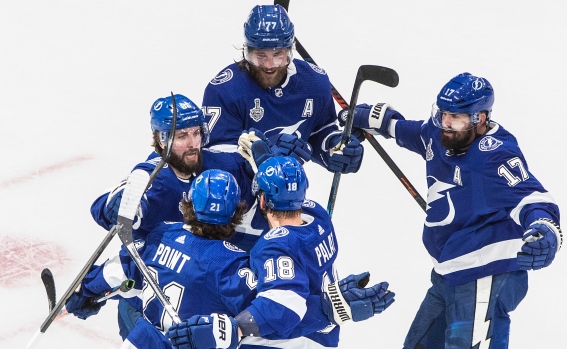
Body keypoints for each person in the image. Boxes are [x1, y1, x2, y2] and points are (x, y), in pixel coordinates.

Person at [345, 72, 563, 348]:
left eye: (456, 118)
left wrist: (545, 230)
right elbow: (412, 133)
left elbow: (532, 199)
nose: (446, 123)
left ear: (480, 118)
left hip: (485, 274)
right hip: (450, 272)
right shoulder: (441, 133)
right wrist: (374, 120)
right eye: (444, 113)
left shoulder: (495, 155)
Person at [67, 169, 394, 349]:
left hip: (144, 342)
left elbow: (115, 271)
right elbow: (278, 315)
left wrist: (84, 294)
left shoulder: (156, 237)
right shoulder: (236, 265)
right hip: (185, 343)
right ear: (237, 214)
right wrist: (328, 309)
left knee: (131, 303)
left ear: (187, 205)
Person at [165, 156, 396, 349]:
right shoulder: (318, 216)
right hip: (327, 334)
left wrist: (235, 329)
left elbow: (281, 308)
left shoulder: (274, 248)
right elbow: (289, 192)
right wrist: (268, 160)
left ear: (263, 200)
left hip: (301, 336)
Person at [89, 94, 253, 340]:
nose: (192, 143)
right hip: (148, 307)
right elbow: (108, 206)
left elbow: (260, 184)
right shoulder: (154, 179)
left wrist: (267, 160)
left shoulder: (219, 165)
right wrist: (113, 207)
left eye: (196, 133)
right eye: (181, 136)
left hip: (205, 297)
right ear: (160, 140)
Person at [201, 4, 363, 175]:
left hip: (288, 192)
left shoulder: (315, 83)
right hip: (237, 197)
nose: (270, 66)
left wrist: (333, 147)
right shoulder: (225, 91)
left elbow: (319, 132)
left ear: (289, 52)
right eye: (261, 56)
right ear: (247, 51)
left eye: (278, 55)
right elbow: (213, 161)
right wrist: (263, 156)